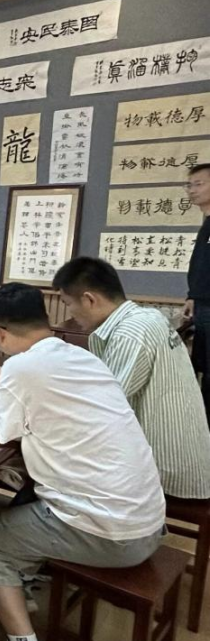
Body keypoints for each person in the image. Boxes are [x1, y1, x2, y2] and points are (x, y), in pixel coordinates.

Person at [0, 283, 165, 641]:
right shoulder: (81, 356)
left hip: (113, 534)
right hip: (150, 518)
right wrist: (12, 378)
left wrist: (7, 381)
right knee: (27, 498)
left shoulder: (20, 369)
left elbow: (7, 432)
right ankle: (23, 583)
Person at [53, 257, 210, 499]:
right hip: (189, 456)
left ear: (89, 299)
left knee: (54, 466)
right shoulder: (148, 317)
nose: (70, 313)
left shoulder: (129, 333)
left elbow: (102, 408)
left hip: (166, 470)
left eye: (68, 303)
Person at [184, 163, 210, 420]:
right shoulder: (207, 223)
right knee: (204, 368)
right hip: (202, 306)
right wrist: (192, 296)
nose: (192, 190)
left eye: (199, 184)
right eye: (189, 185)